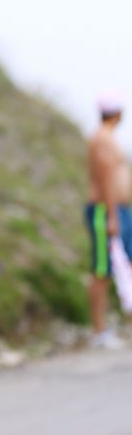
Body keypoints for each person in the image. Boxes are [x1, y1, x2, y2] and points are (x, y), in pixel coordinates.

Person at [85, 89, 132, 349]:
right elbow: (105, 178)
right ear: (117, 113)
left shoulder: (109, 138)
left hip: (119, 210)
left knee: (128, 264)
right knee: (103, 270)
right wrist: (112, 215)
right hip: (107, 211)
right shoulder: (103, 139)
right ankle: (99, 332)